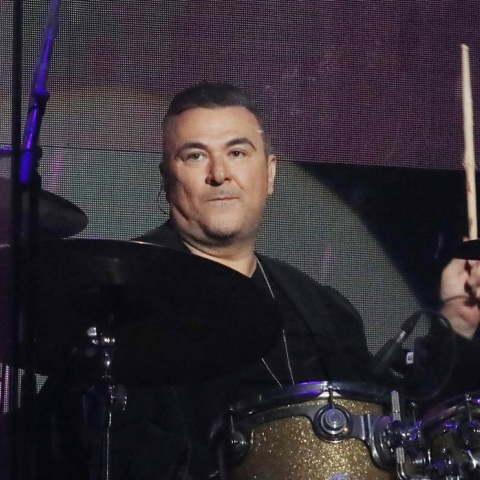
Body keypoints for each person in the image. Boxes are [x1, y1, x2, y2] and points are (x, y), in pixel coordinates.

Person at [105, 81, 480, 479]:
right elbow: (95, 440)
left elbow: (392, 437)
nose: (219, 174)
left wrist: (457, 321)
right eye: (195, 156)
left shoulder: (323, 312)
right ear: (167, 177)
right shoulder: (122, 292)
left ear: (269, 173)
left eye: (237, 152)